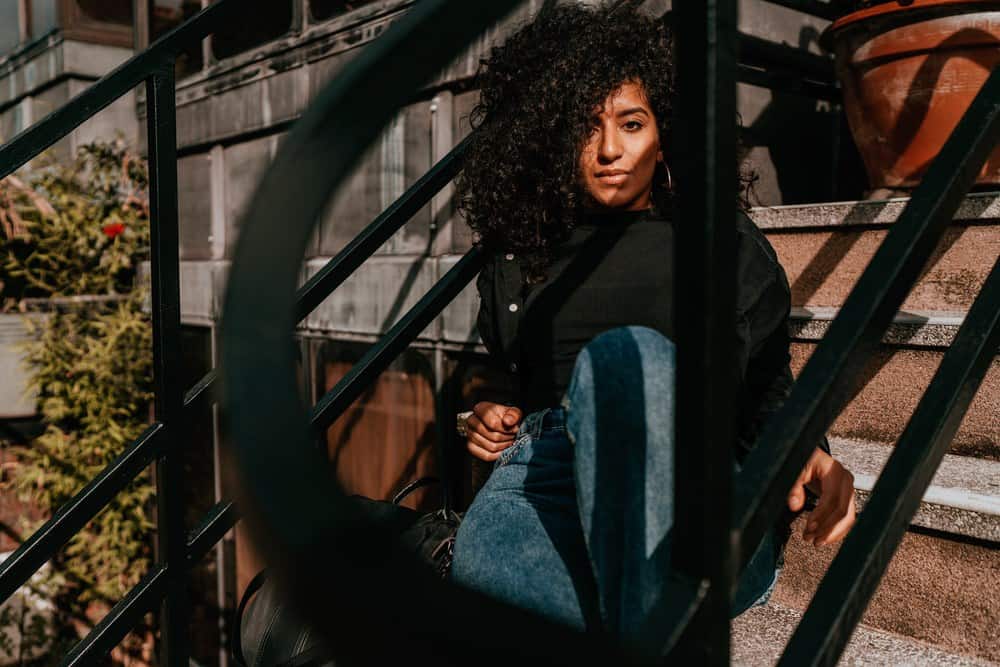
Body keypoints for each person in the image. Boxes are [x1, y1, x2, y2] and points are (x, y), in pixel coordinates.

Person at [448, 3, 856, 656]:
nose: (610, 150)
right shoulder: (520, 256)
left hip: (692, 484)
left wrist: (802, 443)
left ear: (664, 133)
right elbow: (507, 374)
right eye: (586, 128)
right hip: (543, 480)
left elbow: (766, 384)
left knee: (627, 359)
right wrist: (487, 411)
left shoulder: (723, 245)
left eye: (631, 124)